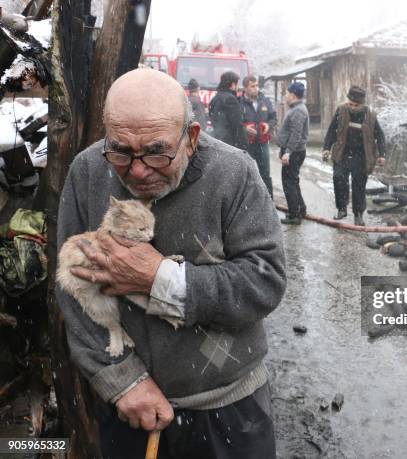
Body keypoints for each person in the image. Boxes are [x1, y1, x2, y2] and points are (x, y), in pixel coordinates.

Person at [56, 68, 286, 458]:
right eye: (121, 151)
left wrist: (159, 278)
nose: (139, 169)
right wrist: (121, 381)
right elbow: (71, 289)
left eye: (157, 151)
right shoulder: (88, 170)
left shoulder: (234, 173)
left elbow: (265, 282)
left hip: (228, 408)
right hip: (130, 411)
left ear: (191, 137)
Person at [322, 85, 386, 226]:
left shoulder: (370, 115)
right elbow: (332, 130)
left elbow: (380, 136)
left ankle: (358, 214)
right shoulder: (341, 111)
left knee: (359, 185)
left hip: (361, 155)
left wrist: (382, 154)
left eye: (355, 105)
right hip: (342, 153)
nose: (352, 107)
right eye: (350, 103)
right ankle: (342, 209)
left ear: (361, 104)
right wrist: (326, 148)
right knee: (338, 178)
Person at [277, 82, 309, 225]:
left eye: (287, 93)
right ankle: (300, 209)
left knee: (289, 182)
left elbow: (296, 134)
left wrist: (288, 152)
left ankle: (294, 215)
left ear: (293, 95)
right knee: (293, 181)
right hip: (294, 151)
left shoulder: (298, 111)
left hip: (294, 152)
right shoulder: (296, 108)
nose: (285, 96)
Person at [240, 75, 277, 197]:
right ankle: (249, 201)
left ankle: (269, 201)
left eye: (256, 86)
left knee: (265, 173)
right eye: (252, 86)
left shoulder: (265, 101)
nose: (256, 88)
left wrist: (268, 125)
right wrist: (244, 128)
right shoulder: (239, 103)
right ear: (245, 88)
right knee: (248, 173)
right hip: (247, 144)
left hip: (262, 144)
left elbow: (273, 118)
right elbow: (235, 123)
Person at [208, 71, 248, 150]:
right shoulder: (231, 99)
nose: (237, 88)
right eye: (237, 84)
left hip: (217, 141)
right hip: (230, 144)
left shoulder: (214, 99)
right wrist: (244, 146)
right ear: (232, 85)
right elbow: (237, 125)